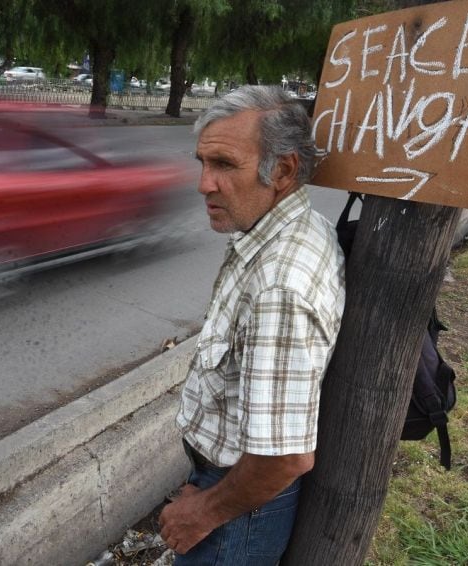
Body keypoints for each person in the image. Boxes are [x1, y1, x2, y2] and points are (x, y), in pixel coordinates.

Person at [158, 85, 346, 565]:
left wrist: (203, 511)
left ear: (282, 170)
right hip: (229, 488)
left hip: (237, 513)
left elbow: (285, 457)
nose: (204, 184)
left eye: (223, 165)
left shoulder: (279, 288)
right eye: (203, 163)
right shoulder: (285, 227)